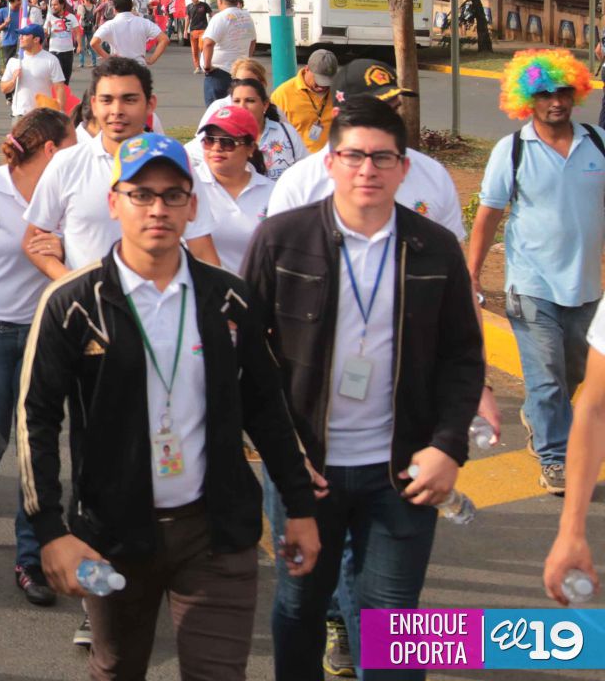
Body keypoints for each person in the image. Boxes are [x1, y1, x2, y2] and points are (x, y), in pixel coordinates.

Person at [20, 132, 321, 678]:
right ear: (115, 203)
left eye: (173, 195)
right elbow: (35, 419)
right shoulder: (73, 304)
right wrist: (49, 531)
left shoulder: (228, 298)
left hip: (215, 530)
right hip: (111, 534)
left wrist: (299, 507)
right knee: (116, 667)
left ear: (191, 206)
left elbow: (266, 407)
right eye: (141, 195)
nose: (157, 208)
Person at [244, 96, 485, 681]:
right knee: (299, 605)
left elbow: (462, 356)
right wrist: (283, 451)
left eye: (382, 158)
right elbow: (248, 356)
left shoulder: (435, 249)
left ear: (405, 167)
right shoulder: (281, 238)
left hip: (400, 473)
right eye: (353, 156)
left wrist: (448, 445)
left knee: (395, 621)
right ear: (329, 162)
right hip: (307, 475)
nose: (367, 170)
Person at [469, 49, 605, 495]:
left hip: (585, 288)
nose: (556, 101)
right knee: (547, 376)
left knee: (572, 374)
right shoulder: (511, 151)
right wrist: (472, 274)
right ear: (527, 100)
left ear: (576, 92)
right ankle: (554, 457)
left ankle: (540, 414)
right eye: (544, 93)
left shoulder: (598, 143)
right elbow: (488, 215)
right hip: (531, 286)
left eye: (563, 91)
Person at [0, 107, 73, 605]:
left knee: (35, 447)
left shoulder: (68, 198)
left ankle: (30, 559)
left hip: (42, 336)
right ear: (49, 149)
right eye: (70, 146)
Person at [23, 57, 220, 282]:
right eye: (107, 100)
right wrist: (75, 289)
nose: (117, 110)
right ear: (94, 105)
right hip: (92, 311)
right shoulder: (66, 163)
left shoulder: (175, 163)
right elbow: (33, 240)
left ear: (150, 105)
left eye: (129, 100)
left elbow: (202, 249)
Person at [267, 59, 464, 238]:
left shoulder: (432, 175)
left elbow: (448, 258)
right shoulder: (299, 183)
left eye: (394, 109)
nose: (386, 119)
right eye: (373, 111)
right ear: (337, 115)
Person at [186, 101, 275, 275]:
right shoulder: (188, 187)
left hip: (256, 296)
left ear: (250, 148)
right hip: (203, 295)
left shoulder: (274, 193)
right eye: (209, 140)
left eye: (227, 142)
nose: (216, 148)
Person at [271, 49, 341, 154]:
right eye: (319, 80)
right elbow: (273, 132)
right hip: (298, 160)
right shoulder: (282, 95)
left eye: (327, 81)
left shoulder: (340, 91)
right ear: (307, 69)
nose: (322, 86)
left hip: (332, 159)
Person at [198, 0, 255, 106]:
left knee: (218, 114)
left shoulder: (219, 17)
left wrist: (207, 67)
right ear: (237, 0)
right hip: (240, 72)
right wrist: (246, 60)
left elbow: (208, 43)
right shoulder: (246, 17)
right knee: (237, 110)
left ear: (220, 0)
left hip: (219, 72)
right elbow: (253, 41)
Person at [0, 24, 67, 117]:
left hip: (43, 116)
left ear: (36, 39)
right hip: (20, 115)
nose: (21, 38)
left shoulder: (51, 60)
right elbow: (4, 89)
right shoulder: (14, 60)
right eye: (20, 35)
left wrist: (60, 111)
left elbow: (59, 88)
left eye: (25, 35)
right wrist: (13, 80)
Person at [89, 0, 166, 67]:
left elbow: (93, 43)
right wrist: (152, 59)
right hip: (139, 67)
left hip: (118, 67)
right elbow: (164, 39)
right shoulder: (144, 22)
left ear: (114, 9)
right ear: (131, 7)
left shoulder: (109, 25)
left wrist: (108, 58)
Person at [185, 0, 210, 73]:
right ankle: (197, 67)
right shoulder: (189, 7)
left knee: (202, 47)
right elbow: (187, 18)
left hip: (203, 30)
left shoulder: (204, 5)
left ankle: (206, 65)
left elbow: (211, 14)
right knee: (194, 50)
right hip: (193, 31)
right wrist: (185, 30)